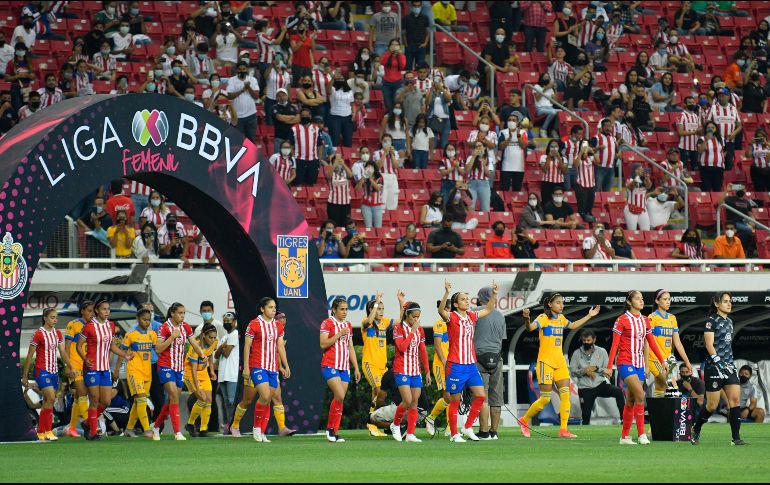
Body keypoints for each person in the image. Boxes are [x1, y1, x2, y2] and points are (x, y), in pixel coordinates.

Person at [520, 295, 600, 438]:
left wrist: (589, 315)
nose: (561, 305)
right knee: (545, 398)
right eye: (558, 303)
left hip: (560, 363)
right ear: (550, 304)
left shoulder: (561, 319)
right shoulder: (543, 318)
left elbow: (573, 325)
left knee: (566, 396)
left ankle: (563, 430)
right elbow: (530, 328)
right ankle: (524, 420)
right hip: (546, 363)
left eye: (562, 303)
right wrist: (526, 318)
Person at [607, 290, 672, 445]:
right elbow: (615, 344)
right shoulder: (621, 320)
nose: (641, 301)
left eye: (642, 299)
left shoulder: (644, 320)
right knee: (640, 396)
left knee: (630, 400)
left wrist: (662, 360)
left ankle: (624, 437)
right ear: (629, 302)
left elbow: (652, 342)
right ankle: (642, 434)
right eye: (637, 299)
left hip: (640, 364)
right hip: (625, 362)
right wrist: (609, 366)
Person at [437, 279, 498, 443]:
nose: (467, 301)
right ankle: (454, 434)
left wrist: (494, 294)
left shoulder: (471, 315)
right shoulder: (452, 317)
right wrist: (447, 293)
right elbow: (441, 310)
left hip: (471, 365)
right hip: (456, 365)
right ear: (456, 304)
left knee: (480, 396)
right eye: (463, 299)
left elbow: (489, 308)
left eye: (467, 299)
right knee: (455, 400)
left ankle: (468, 426)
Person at [691, 292, 746, 446]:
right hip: (714, 367)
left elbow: (727, 346)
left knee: (735, 400)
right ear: (716, 304)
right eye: (726, 301)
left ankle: (736, 438)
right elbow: (709, 345)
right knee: (712, 405)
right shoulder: (711, 321)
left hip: (729, 366)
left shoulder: (730, 321)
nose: (729, 304)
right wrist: (717, 361)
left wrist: (728, 364)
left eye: (730, 301)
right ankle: (697, 427)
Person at [77, 299, 133, 440]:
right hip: (92, 368)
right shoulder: (89, 326)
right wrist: (85, 358)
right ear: (97, 310)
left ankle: (87, 422)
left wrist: (124, 355)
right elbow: (79, 345)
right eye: (104, 309)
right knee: (95, 399)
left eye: (108, 309)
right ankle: (93, 431)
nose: (107, 312)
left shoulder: (111, 325)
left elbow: (112, 347)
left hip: (105, 368)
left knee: (106, 401)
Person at [151, 302, 205, 441]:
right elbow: (158, 349)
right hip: (165, 366)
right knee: (174, 395)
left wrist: (202, 355)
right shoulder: (164, 328)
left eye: (184, 313)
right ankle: (177, 432)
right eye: (180, 313)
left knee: (171, 400)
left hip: (178, 368)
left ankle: (156, 426)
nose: (182, 316)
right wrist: (172, 337)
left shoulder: (185, 327)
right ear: (172, 313)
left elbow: (194, 344)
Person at [22, 309, 75, 440]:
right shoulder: (38, 334)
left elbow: (62, 352)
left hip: (54, 371)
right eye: (52, 317)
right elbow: (29, 355)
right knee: (51, 398)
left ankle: (44, 432)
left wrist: (70, 365)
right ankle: (43, 430)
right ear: (45, 318)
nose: (55, 320)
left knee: (49, 401)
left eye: (56, 317)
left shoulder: (57, 333)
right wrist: (25, 375)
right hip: (42, 370)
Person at [242, 298, 290, 443]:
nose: (273, 310)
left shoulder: (278, 326)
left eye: (274, 307)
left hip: (273, 368)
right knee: (265, 395)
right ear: (262, 309)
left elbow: (280, 346)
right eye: (270, 307)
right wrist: (245, 367)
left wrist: (286, 365)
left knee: (268, 398)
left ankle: (262, 432)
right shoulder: (254, 324)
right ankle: (256, 428)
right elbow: (247, 346)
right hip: (258, 365)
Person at [389, 293, 431, 443]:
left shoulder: (420, 330)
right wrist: (412, 332)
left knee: (415, 402)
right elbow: (401, 347)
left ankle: (411, 433)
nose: (416, 320)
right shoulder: (398, 329)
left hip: (415, 370)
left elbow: (423, 351)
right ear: (407, 315)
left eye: (418, 317)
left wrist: (427, 371)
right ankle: (395, 424)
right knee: (406, 400)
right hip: (401, 368)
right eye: (414, 317)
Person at [321, 297, 361, 443]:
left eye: (346, 309)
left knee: (339, 399)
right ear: (334, 310)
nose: (345, 312)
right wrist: (338, 334)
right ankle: (331, 430)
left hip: (344, 367)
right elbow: (323, 343)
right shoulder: (327, 323)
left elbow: (350, 347)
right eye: (342, 309)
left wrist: (356, 367)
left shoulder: (348, 325)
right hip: (330, 365)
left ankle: (333, 430)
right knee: (339, 395)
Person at [114, 308, 157, 438]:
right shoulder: (130, 334)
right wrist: (116, 370)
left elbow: (158, 349)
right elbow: (122, 353)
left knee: (138, 401)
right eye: (144, 319)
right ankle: (147, 429)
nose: (147, 322)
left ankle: (129, 429)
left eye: (148, 320)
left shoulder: (152, 335)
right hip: (134, 371)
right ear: (138, 319)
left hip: (147, 372)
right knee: (142, 399)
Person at [570, 329, 626, 426]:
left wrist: (595, 369)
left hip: (600, 384)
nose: (586, 343)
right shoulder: (576, 353)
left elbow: (607, 370)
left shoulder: (602, 351)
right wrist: (585, 371)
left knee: (618, 392)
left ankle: (624, 420)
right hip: (585, 387)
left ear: (594, 340)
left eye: (588, 340)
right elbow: (573, 371)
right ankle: (585, 430)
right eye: (584, 341)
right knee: (586, 414)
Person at [473, 286, 507, 440]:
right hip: (497, 358)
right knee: (496, 398)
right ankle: (494, 432)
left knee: (482, 397)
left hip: (479, 358)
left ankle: (484, 431)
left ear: (480, 298)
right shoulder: (501, 315)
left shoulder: (474, 312)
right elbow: (501, 339)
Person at [647, 290, 694, 398]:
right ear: (657, 301)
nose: (668, 302)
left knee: (660, 388)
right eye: (664, 299)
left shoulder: (672, 318)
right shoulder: (652, 318)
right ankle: (672, 414)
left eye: (669, 299)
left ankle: (657, 414)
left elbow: (677, 342)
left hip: (667, 360)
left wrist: (687, 361)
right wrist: (646, 364)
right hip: (654, 359)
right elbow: (648, 342)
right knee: (673, 389)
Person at [361, 293, 394, 437]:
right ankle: (371, 423)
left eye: (382, 308)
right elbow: (368, 320)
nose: (381, 311)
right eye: (379, 308)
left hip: (382, 366)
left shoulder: (384, 323)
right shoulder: (365, 323)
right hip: (370, 364)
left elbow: (400, 320)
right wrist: (376, 303)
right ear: (371, 310)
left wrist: (401, 302)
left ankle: (373, 424)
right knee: (379, 390)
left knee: (377, 395)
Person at [63, 301, 94, 437]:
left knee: (78, 396)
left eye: (93, 311)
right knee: (82, 393)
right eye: (89, 311)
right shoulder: (73, 324)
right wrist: (68, 365)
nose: (92, 314)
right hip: (74, 365)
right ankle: (91, 426)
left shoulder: (93, 326)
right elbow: (67, 347)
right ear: (82, 311)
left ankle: (72, 427)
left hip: (87, 365)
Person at [183, 323, 218, 438]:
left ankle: (203, 429)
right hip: (190, 374)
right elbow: (193, 369)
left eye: (214, 337)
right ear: (203, 335)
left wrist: (211, 371)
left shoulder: (214, 343)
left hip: (203, 372)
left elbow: (210, 355)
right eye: (210, 337)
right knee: (202, 398)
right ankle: (190, 424)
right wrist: (197, 388)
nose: (213, 340)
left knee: (209, 400)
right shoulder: (196, 347)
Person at [425, 299, 451, 437]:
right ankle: (431, 417)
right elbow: (437, 346)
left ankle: (450, 427)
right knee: (447, 396)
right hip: (441, 364)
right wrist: (444, 361)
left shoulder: (453, 323)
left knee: (452, 395)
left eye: (449, 308)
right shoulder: (439, 324)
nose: (448, 311)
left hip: (453, 364)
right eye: (446, 308)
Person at [705, 88, 741, 172]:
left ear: (728, 97)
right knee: (716, 163)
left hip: (729, 141)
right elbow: (706, 124)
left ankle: (727, 183)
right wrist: (711, 135)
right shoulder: (713, 108)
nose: (721, 97)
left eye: (723, 95)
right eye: (719, 95)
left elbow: (739, 126)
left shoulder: (733, 109)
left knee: (728, 163)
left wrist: (734, 133)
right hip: (716, 141)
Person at [216, 312, 239, 435]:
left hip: (232, 374)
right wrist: (221, 347)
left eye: (228, 321)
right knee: (226, 404)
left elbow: (226, 353)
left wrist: (222, 349)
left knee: (231, 402)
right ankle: (230, 426)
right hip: (223, 375)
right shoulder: (225, 337)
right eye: (224, 321)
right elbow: (216, 354)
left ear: (235, 321)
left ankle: (234, 426)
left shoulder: (235, 334)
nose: (226, 323)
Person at [226, 61, 260, 142]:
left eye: (244, 69)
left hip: (251, 115)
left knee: (251, 140)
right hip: (237, 117)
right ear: (237, 70)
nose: (242, 71)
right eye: (240, 69)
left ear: (247, 69)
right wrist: (242, 90)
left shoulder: (253, 80)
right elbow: (229, 96)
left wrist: (249, 88)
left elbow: (256, 96)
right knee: (238, 141)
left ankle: (251, 155)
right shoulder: (232, 80)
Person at [292, 107, 322, 186]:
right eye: (303, 115)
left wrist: (319, 159)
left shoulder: (316, 129)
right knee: (297, 182)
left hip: (313, 160)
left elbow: (320, 145)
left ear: (310, 116)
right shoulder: (294, 128)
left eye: (307, 115)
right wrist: (292, 158)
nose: (305, 117)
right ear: (300, 116)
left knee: (311, 183)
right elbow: (290, 145)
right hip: (298, 160)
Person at [498, 113, 528, 192]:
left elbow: (523, 146)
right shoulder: (502, 132)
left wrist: (518, 136)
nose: (511, 122)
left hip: (519, 167)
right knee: (504, 189)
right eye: (509, 120)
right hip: (506, 166)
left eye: (514, 120)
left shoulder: (523, 133)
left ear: (517, 122)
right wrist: (509, 138)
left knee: (517, 190)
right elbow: (501, 147)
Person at [373, 134, 401, 211]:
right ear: (381, 142)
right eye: (385, 141)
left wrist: (391, 154)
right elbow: (378, 166)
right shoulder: (377, 153)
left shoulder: (395, 152)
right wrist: (385, 153)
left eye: (389, 141)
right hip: (381, 177)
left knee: (393, 201)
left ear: (391, 142)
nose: (387, 142)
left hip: (392, 177)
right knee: (381, 200)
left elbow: (396, 166)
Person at [325, 153, 353, 228]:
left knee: (346, 224)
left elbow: (350, 175)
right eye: (337, 160)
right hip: (333, 203)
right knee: (334, 225)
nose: (339, 161)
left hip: (346, 203)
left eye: (341, 159)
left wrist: (343, 164)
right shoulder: (330, 171)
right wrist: (334, 165)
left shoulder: (345, 171)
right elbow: (328, 176)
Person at [697, 120, 726, 192]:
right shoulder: (701, 139)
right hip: (706, 167)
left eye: (712, 127)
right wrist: (706, 140)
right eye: (708, 127)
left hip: (719, 168)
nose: (710, 129)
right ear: (706, 129)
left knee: (717, 189)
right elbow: (700, 150)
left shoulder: (721, 139)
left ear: (716, 129)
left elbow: (725, 150)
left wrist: (720, 159)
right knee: (706, 188)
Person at [465, 141, 493, 212]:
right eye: (476, 146)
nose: (478, 148)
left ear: (484, 147)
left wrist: (484, 164)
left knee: (485, 208)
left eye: (480, 145)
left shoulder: (489, 159)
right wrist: (474, 156)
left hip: (484, 184)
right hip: (471, 184)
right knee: (470, 207)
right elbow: (466, 170)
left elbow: (489, 175)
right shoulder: (470, 158)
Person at [402, 1, 430, 71]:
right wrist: (406, 45)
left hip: (421, 46)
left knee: (420, 68)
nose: (416, 8)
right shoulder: (406, 18)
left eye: (418, 6)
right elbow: (404, 33)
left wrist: (425, 43)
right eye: (415, 6)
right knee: (408, 67)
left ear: (421, 7)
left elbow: (428, 32)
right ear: (411, 7)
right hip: (409, 46)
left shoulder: (425, 18)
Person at [624, 164, 652, 231]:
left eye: (642, 169)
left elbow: (649, 186)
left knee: (646, 231)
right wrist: (637, 178)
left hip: (643, 209)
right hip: (631, 209)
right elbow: (630, 186)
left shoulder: (644, 180)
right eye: (640, 169)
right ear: (635, 170)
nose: (642, 170)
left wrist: (647, 178)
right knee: (632, 231)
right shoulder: (629, 179)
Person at [357, 160, 385, 228]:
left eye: (371, 167)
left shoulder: (379, 177)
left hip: (377, 206)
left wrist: (370, 178)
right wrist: (362, 179)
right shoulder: (364, 177)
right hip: (366, 205)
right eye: (367, 167)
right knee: (368, 227)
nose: (369, 169)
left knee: (378, 227)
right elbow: (357, 189)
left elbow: (378, 189)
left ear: (374, 168)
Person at [380, 38, 406, 111]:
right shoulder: (386, 54)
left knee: (397, 103)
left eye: (396, 45)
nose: (394, 46)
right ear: (389, 46)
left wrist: (399, 54)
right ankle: (390, 118)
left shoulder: (402, 56)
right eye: (392, 44)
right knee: (388, 103)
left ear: (399, 46)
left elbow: (402, 66)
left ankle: (396, 119)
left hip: (398, 82)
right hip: (386, 82)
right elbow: (382, 62)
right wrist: (389, 53)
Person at [539, 139, 568, 203]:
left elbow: (565, 172)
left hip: (559, 183)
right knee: (546, 203)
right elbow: (544, 170)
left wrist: (559, 159)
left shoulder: (563, 158)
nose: (554, 148)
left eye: (556, 146)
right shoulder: (543, 157)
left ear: (559, 148)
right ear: (549, 148)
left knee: (558, 202)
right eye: (552, 146)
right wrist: (549, 158)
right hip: (547, 183)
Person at [533, 72, 560, 139]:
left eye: (548, 77)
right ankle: (543, 129)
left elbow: (554, 102)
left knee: (561, 112)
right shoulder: (536, 86)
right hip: (540, 108)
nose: (546, 79)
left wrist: (555, 89)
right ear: (541, 78)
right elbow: (538, 99)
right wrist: (545, 89)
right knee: (553, 112)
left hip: (550, 107)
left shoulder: (550, 89)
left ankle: (554, 130)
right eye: (545, 77)